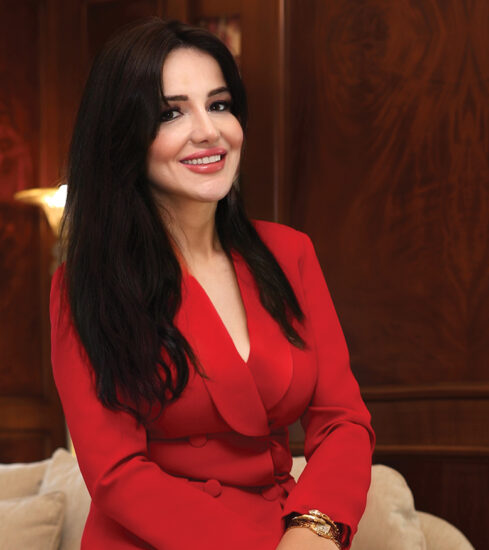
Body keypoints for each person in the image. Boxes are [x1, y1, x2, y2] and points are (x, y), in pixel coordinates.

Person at [50, 18, 375, 550]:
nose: (208, 131)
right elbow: (115, 472)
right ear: (123, 135)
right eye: (171, 113)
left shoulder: (289, 253)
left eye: (219, 104)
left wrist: (314, 528)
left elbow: (343, 422)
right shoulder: (85, 284)